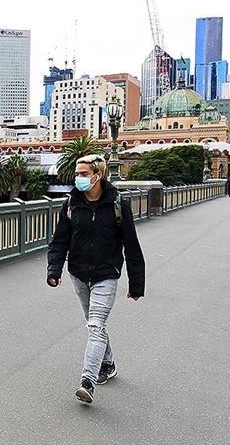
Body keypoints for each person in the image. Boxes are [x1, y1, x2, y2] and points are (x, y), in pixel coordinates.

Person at [46, 154, 145, 405]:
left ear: (98, 175)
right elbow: (59, 240)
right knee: (94, 325)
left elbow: (131, 245)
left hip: (106, 274)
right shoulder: (71, 204)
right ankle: (108, 364)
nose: (78, 178)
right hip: (78, 273)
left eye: (83, 174)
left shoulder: (118, 204)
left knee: (95, 325)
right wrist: (54, 270)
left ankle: (87, 380)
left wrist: (136, 284)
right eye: (77, 174)